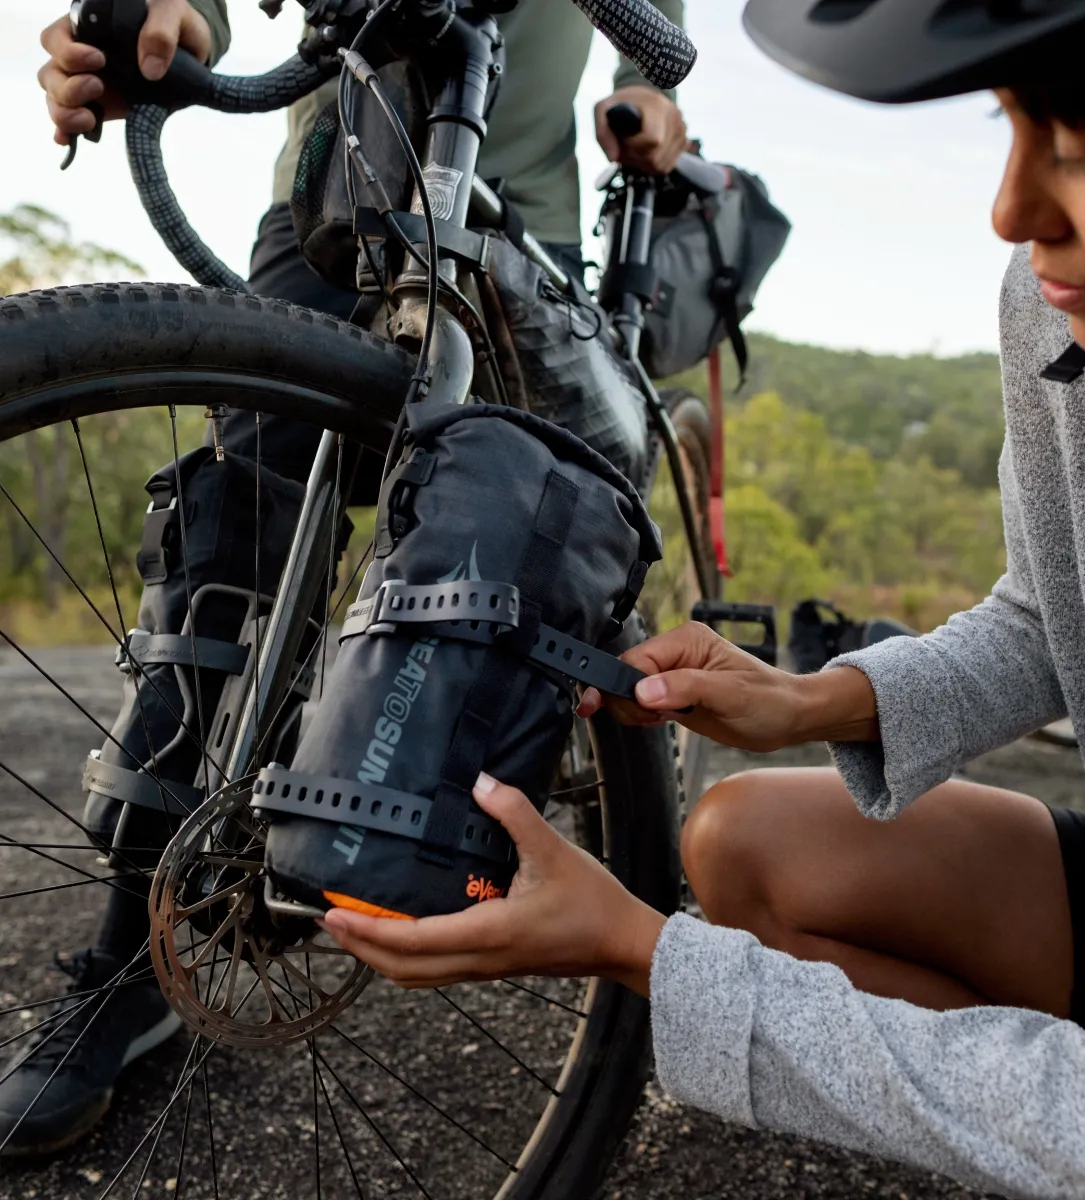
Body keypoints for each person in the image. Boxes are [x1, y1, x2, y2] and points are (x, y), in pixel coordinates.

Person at [315, 2, 1085, 1197]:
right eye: (1009, 124)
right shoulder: (1060, 302)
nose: (1012, 209)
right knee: (745, 843)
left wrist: (638, 949)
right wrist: (808, 702)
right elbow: (1050, 615)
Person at [2, 0, 687, 1157]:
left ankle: (587, 814)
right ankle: (131, 955)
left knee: (533, 536)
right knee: (241, 503)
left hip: (514, 205)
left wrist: (649, 83)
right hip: (334, 176)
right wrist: (175, 20)